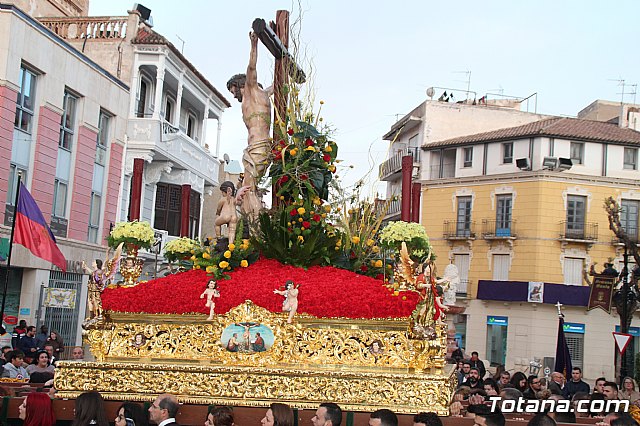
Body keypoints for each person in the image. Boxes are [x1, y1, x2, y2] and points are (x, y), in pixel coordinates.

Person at [227, 32, 273, 218]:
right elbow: (277, 83)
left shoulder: (252, 92)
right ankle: (257, 220)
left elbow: (251, 67)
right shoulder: (264, 95)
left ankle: (257, 226)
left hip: (257, 148)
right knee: (248, 189)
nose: (234, 95)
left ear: (241, 85)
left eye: (233, 91)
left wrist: (254, 44)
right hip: (262, 147)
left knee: (247, 190)